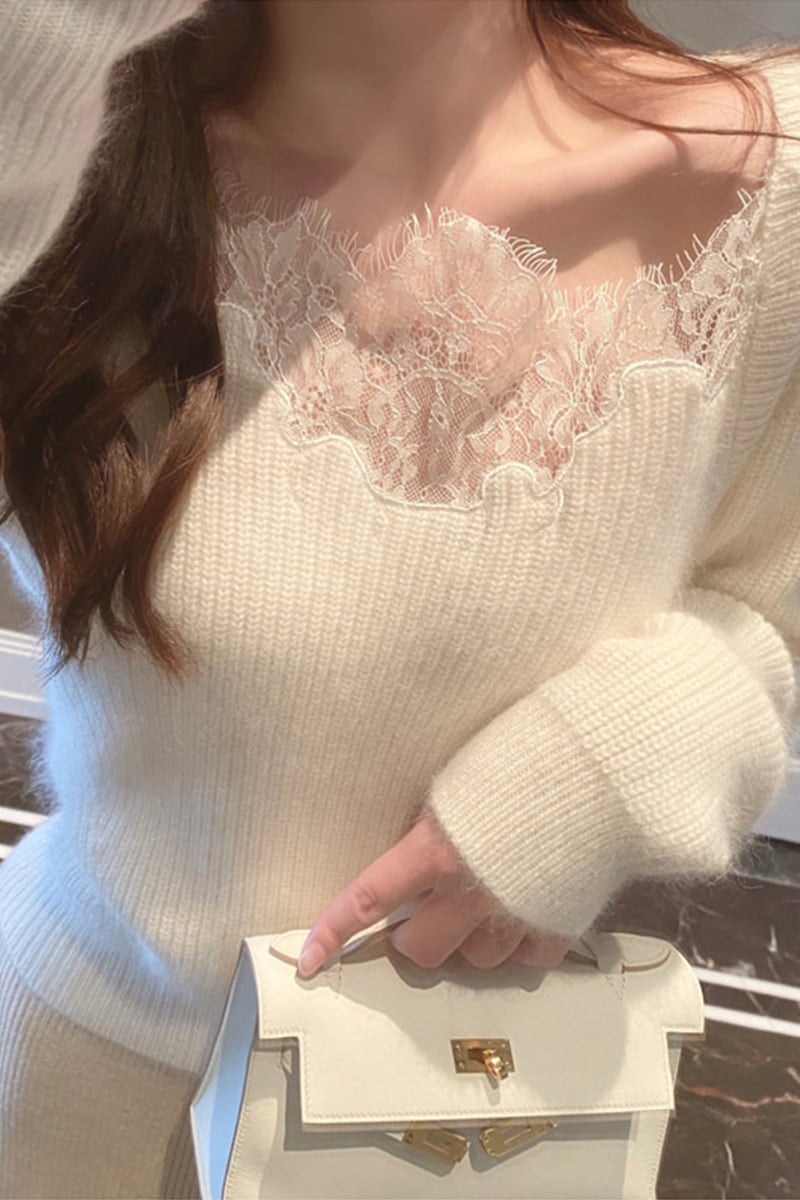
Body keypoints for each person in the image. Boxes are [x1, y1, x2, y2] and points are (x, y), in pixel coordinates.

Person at [0, 1, 798, 1196]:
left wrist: (589, 778)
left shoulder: (762, 181)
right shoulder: (71, 165)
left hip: (454, 1122)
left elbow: (767, 605)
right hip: (67, 1089)